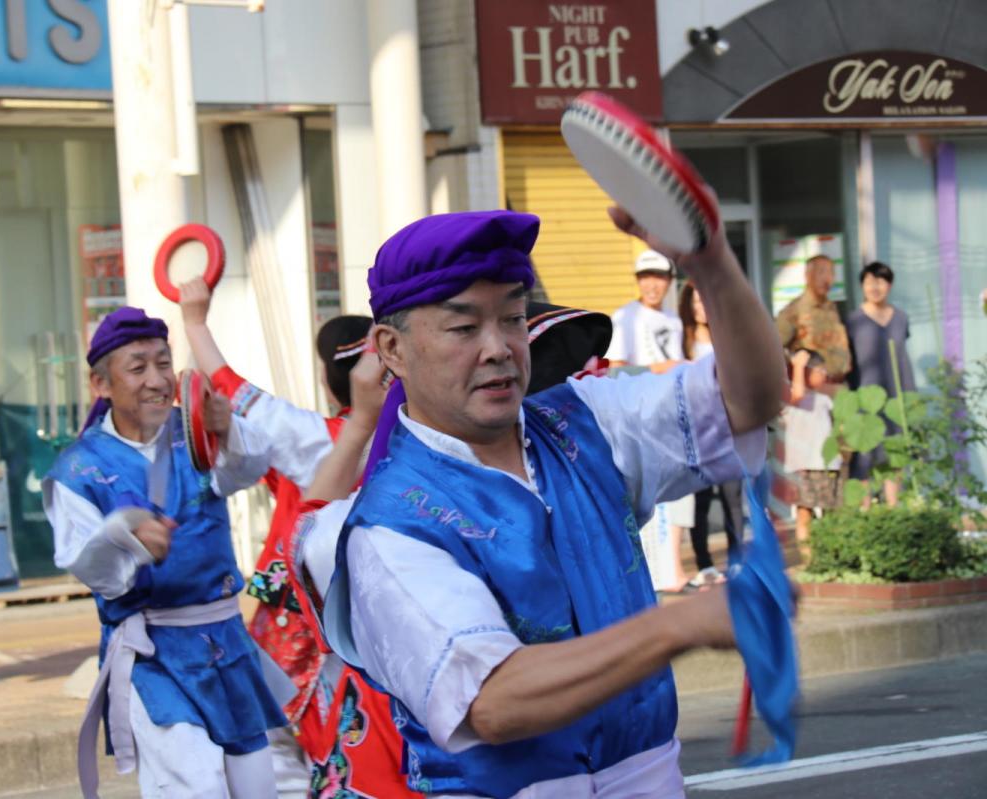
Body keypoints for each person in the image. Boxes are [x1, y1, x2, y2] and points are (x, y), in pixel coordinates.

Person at [309, 207, 783, 797]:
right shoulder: (390, 527)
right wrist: (679, 624)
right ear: (393, 350)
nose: (499, 348)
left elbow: (750, 400)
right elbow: (493, 701)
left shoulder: (587, 423)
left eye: (512, 317)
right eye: (464, 328)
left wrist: (710, 264)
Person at [177, 278, 420, 799]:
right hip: (369, 641)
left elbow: (234, 392)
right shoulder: (423, 444)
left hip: (292, 642)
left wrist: (194, 320)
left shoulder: (312, 442)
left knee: (288, 766)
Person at [42, 306, 286, 799]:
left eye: (163, 363)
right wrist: (124, 538)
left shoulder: (193, 432)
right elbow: (90, 568)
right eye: (138, 367)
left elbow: (250, 467)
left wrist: (229, 427)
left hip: (226, 641)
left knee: (258, 787)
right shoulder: (78, 470)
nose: (157, 380)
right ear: (101, 384)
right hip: (155, 653)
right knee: (193, 787)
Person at [606, 250, 694, 593]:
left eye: (659, 277)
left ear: (670, 282)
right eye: (646, 277)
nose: (652, 284)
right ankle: (646, 576)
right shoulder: (625, 318)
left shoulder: (673, 320)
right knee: (643, 499)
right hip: (638, 421)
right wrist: (655, 370)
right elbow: (612, 371)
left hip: (670, 418)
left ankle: (672, 571)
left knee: (677, 496)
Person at [775, 254, 851, 558]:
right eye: (821, 272)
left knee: (837, 473)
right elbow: (774, 345)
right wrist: (797, 378)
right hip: (809, 401)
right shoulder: (794, 311)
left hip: (836, 395)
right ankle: (810, 554)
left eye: (831, 272)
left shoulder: (832, 308)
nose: (827, 279)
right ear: (808, 275)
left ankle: (835, 549)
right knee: (810, 482)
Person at [679, 282, 742, 588]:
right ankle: (704, 564)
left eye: (705, 301)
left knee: (733, 499)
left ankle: (738, 561)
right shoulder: (683, 340)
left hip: (728, 427)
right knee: (700, 501)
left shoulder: (728, 337)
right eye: (696, 303)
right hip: (696, 430)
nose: (701, 308)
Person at [846, 261, 915, 506]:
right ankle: (864, 513)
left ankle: (893, 508)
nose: (875, 287)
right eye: (869, 281)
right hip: (865, 395)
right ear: (862, 285)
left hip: (897, 394)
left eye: (881, 281)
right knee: (864, 453)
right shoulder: (853, 320)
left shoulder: (901, 318)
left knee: (895, 452)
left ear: (890, 284)